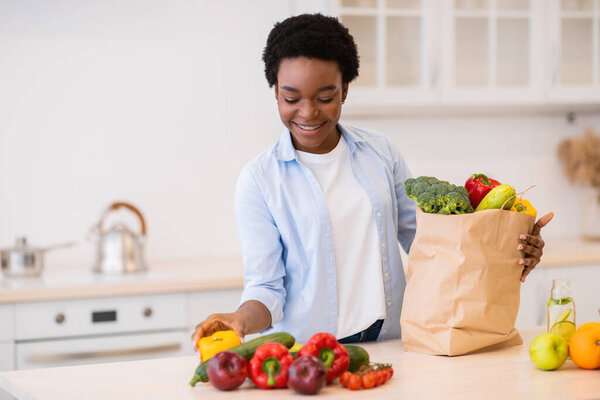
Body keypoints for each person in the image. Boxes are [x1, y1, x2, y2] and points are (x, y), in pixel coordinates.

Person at [192, 13, 553, 346]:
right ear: (275, 92)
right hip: (309, 355)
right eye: (291, 98)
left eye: (325, 96)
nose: (307, 112)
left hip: (393, 340)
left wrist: (508, 251)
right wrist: (240, 319)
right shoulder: (259, 180)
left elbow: (432, 245)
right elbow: (267, 287)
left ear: (345, 90)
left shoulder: (380, 153)